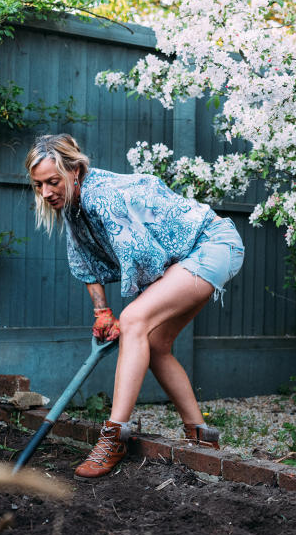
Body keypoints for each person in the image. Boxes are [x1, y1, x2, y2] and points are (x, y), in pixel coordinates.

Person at [25, 133, 244, 480]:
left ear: (76, 171)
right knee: (155, 344)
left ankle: (114, 436)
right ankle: (201, 437)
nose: (46, 192)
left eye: (53, 182)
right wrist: (102, 313)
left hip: (213, 244)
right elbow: (82, 261)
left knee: (136, 320)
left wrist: (125, 320)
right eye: (39, 186)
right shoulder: (71, 205)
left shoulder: (105, 198)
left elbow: (143, 258)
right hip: (188, 255)